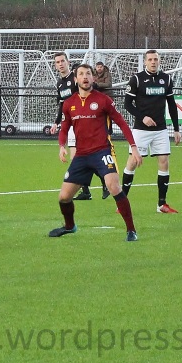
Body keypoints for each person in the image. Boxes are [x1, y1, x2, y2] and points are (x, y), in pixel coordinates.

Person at [49, 63, 142, 241]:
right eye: (81, 74)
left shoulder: (103, 100)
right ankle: (69, 226)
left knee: (113, 186)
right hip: (81, 155)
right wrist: (61, 146)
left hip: (102, 152)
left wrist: (134, 147)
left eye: (88, 74)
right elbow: (64, 127)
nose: (85, 77)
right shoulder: (69, 103)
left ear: (93, 78)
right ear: (76, 79)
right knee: (64, 197)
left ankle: (131, 230)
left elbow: (122, 123)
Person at [122, 49, 182, 213]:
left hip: (160, 129)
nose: (153, 62)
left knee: (164, 162)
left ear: (159, 61)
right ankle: (122, 202)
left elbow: (172, 104)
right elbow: (127, 104)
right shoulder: (137, 79)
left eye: (155, 59)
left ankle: (161, 204)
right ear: (145, 62)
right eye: (150, 59)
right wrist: (143, 117)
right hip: (141, 130)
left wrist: (176, 129)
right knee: (132, 163)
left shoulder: (166, 79)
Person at [51, 52, 108, 201]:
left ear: (68, 62)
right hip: (70, 123)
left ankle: (105, 182)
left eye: (62, 61)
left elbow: (92, 91)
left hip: (83, 122)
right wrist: (57, 122)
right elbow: (62, 105)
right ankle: (86, 191)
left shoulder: (77, 78)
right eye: (57, 62)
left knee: (85, 157)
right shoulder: (60, 83)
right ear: (55, 65)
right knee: (76, 158)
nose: (60, 64)